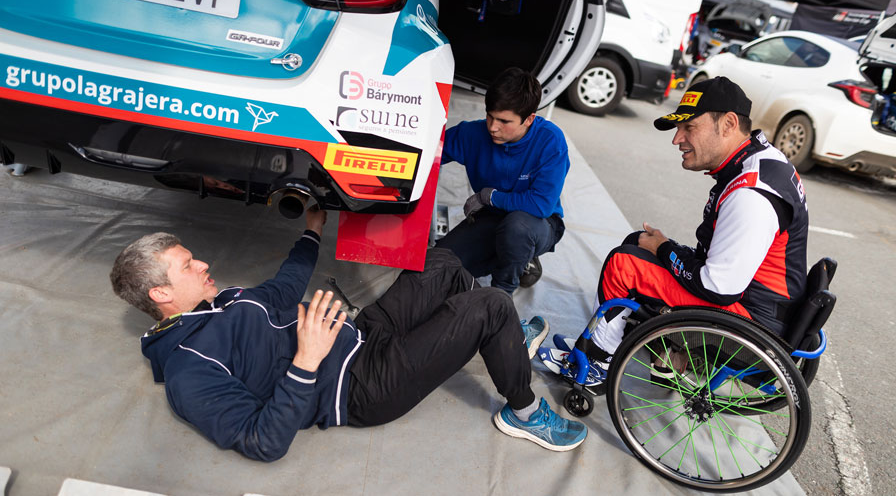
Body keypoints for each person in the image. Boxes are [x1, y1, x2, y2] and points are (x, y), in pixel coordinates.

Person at [109, 207, 586, 462]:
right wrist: (306, 362)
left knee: (440, 263)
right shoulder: (189, 370)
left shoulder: (223, 299)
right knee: (490, 304)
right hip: (358, 387)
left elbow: (283, 287)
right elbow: (263, 442)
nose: (204, 265)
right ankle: (523, 411)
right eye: (189, 266)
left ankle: (501, 343)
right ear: (160, 293)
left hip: (360, 336)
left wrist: (312, 231)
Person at [540, 76, 809, 392]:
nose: (676, 139)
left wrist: (666, 249)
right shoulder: (764, 159)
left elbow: (718, 287)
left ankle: (598, 365)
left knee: (625, 262)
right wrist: (663, 249)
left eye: (689, 128)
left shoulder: (751, 194)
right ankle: (635, 349)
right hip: (761, 305)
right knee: (637, 244)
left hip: (749, 327)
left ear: (728, 124)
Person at [436, 66, 569, 295]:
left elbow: (541, 204)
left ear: (529, 119)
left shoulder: (550, 141)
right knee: (438, 266)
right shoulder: (473, 134)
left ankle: (501, 295)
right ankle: (511, 255)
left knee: (517, 229)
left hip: (539, 222)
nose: (492, 127)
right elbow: (428, 154)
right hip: (492, 217)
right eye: (489, 116)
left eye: (504, 121)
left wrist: (489, 196)